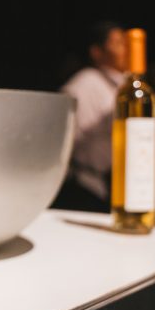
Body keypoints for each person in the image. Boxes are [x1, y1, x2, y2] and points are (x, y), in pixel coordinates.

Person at [54, 21, 127, 212]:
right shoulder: (84, 84)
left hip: (120, 185)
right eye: (118, 43)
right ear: (97, 52)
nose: (126, 49)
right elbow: (74, 142)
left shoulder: (126, 87)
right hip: (87, 188)